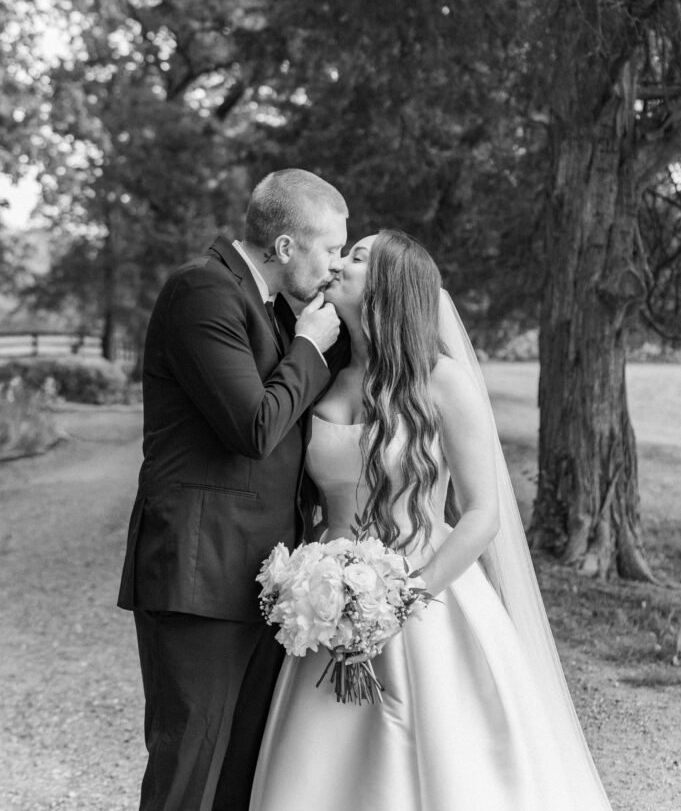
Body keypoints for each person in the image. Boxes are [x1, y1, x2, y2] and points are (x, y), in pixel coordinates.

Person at [249, 229, 614, 811]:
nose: (337, 264)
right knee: (319, 767)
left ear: (389, 285)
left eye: (357, 256)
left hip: (424, 590)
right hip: (327, 599)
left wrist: (403, 599)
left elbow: (483, 514)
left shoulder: (441, 381)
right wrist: (311, 583)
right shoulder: (324, 374)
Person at [117, 169, 348, 811]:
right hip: (200, 574)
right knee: (188, 773)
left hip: (260, 576)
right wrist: (309, 347)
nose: (335, 265)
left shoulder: (269, 305)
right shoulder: (202, 290)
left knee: (239, 776)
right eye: (331, 248)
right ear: (285, 246)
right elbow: (255, 426)